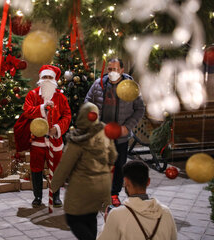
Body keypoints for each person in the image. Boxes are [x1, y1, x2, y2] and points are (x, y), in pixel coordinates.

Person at [51, 102, 117, 240]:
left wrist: (54, 185)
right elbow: (113, 156)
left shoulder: (77, 139)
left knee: (73, 219)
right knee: (90, 217)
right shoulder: (104, 132)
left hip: (82, 187)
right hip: (102, 186)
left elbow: (65, 166)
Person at [85, 58, 145, 207]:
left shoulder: (131, 87)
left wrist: (127, 127)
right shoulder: (98, 84)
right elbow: (88, 100)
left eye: (116, 69)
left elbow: (140, 109)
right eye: (110, 69)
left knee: (119, 165)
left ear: (122, 70)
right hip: (101, 134)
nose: (112, 73)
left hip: (121, 135)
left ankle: (114, 194)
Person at [17, 65, 71, 207]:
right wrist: (42, 108)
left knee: (56, 169)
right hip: (37, 141)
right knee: (36, 168)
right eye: (44, 77)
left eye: (50, 77)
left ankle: (56, 195)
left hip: (55, 140)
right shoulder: (33, 95)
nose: (47, 80)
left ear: (55, 80)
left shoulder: (60, 97)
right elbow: (27, 111)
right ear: (40, 79)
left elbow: (67, 115)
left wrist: (58, 128)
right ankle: (38, 196)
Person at [97, 160, 177, 240]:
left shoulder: (116, 215)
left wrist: (108, 223)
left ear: (126, 182)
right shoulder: (166, 213)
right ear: (148, 182)